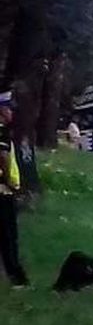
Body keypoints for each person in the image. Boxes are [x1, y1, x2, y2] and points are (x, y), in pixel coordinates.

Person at [0, 92, 28, 288]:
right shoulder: (1, 131)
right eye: (9, 108)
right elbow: (3, 156)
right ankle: (17, 280)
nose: (12, 113)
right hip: (3, 190)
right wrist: (10, 182)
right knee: (8, 237)